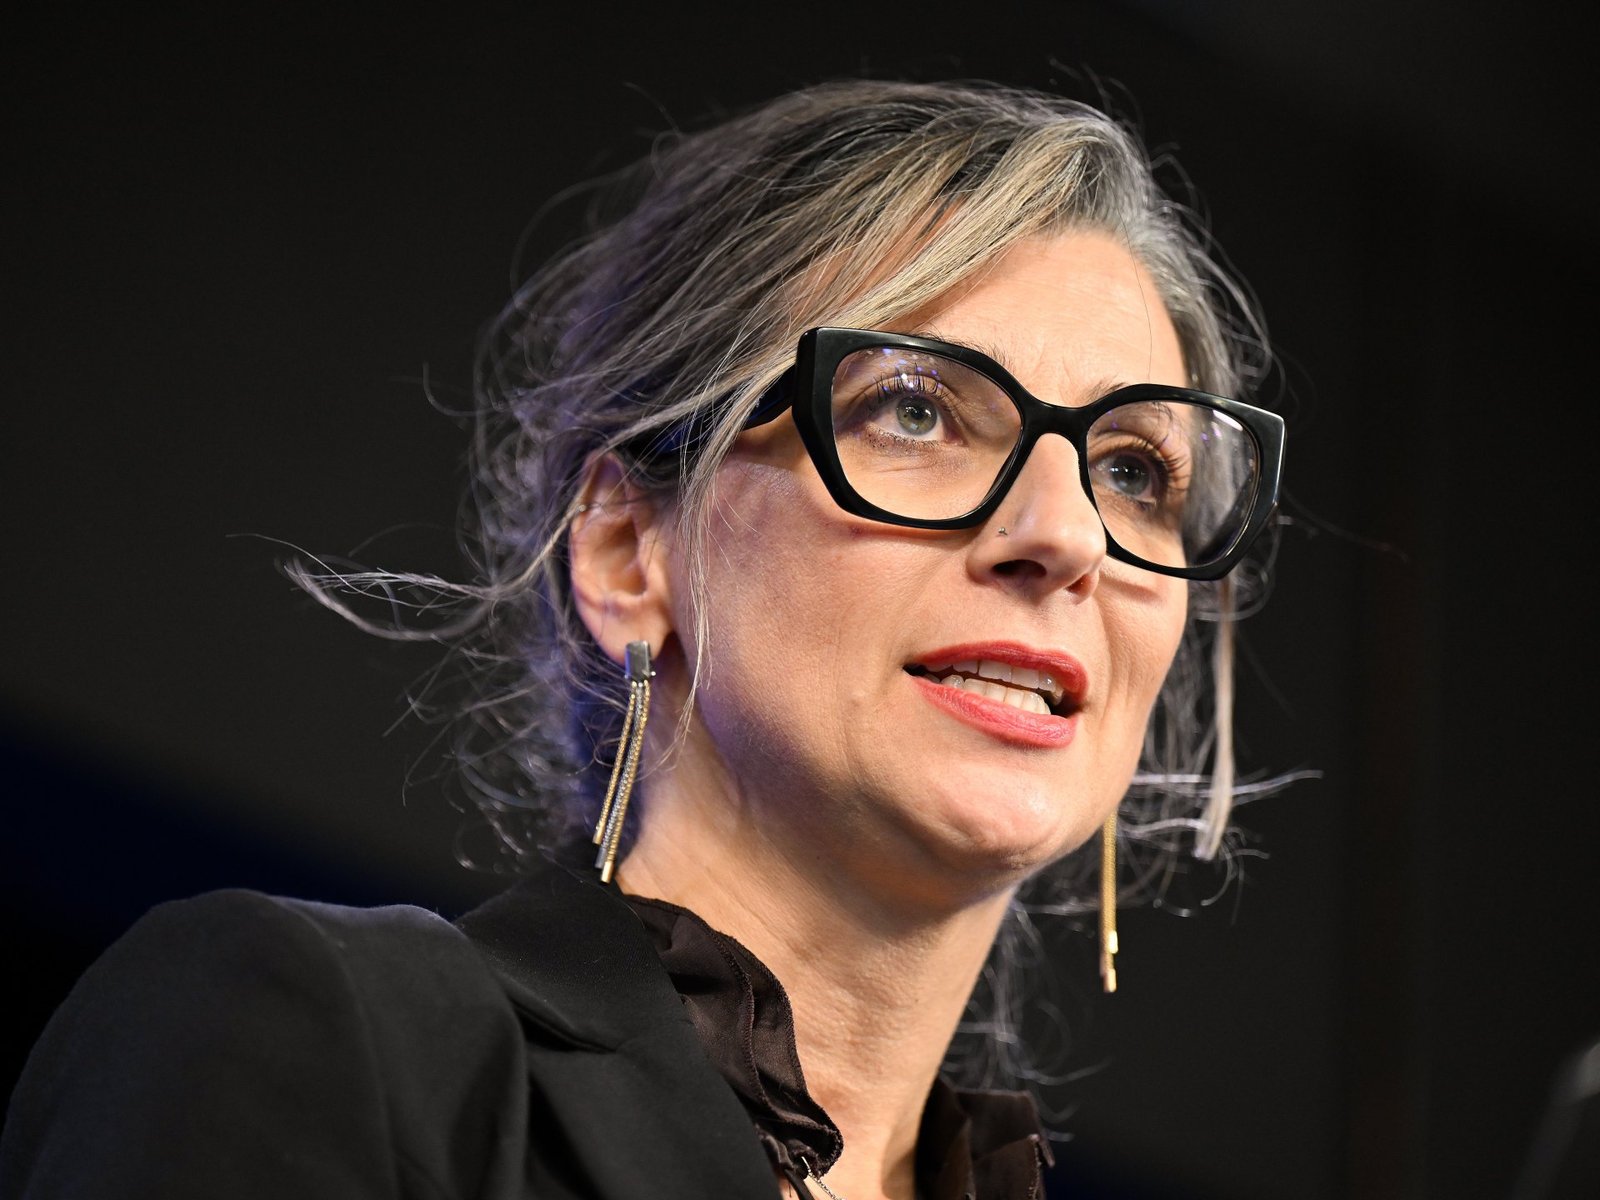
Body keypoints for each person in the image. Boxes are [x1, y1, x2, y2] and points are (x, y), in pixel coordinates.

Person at [0, 79, 1285, 1200]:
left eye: (1133, 470)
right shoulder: (320, 1043)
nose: (1064, 534)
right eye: (914, 411)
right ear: (626, 550)